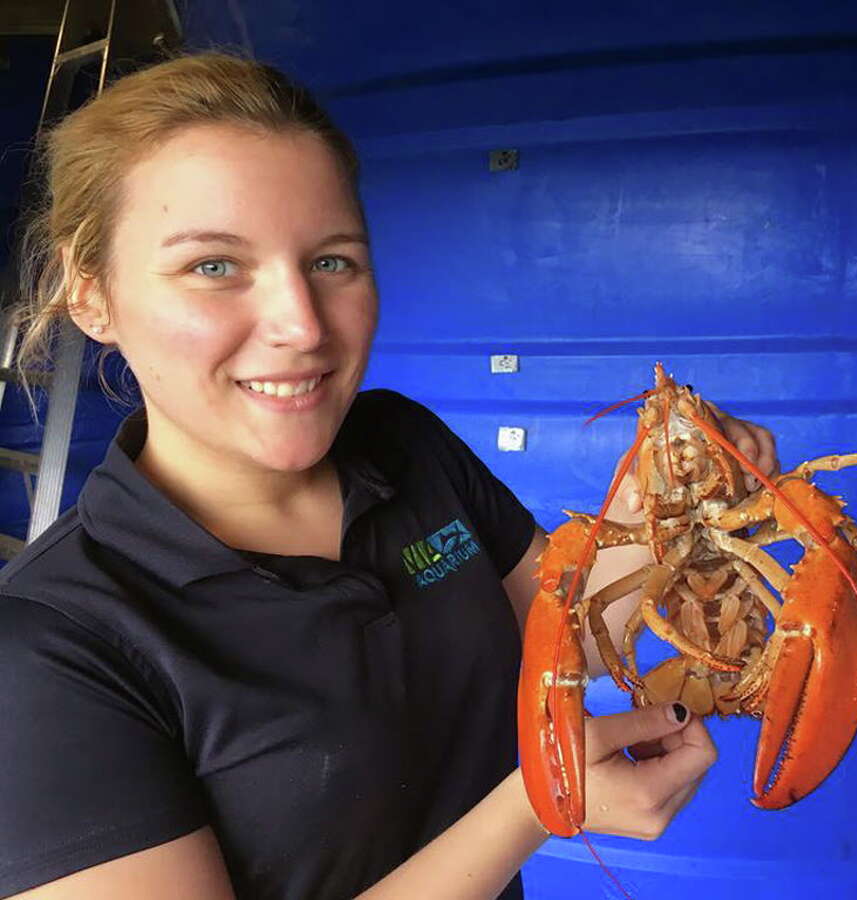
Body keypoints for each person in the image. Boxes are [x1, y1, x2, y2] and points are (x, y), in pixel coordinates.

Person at [0, 53, 779, 899]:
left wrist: (658, 509)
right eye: (214, 266)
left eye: (332, 261)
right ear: (92, 296)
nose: (301, 325)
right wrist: (535, 805)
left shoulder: (403, 442)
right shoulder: (49, 648)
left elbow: (564, 640)